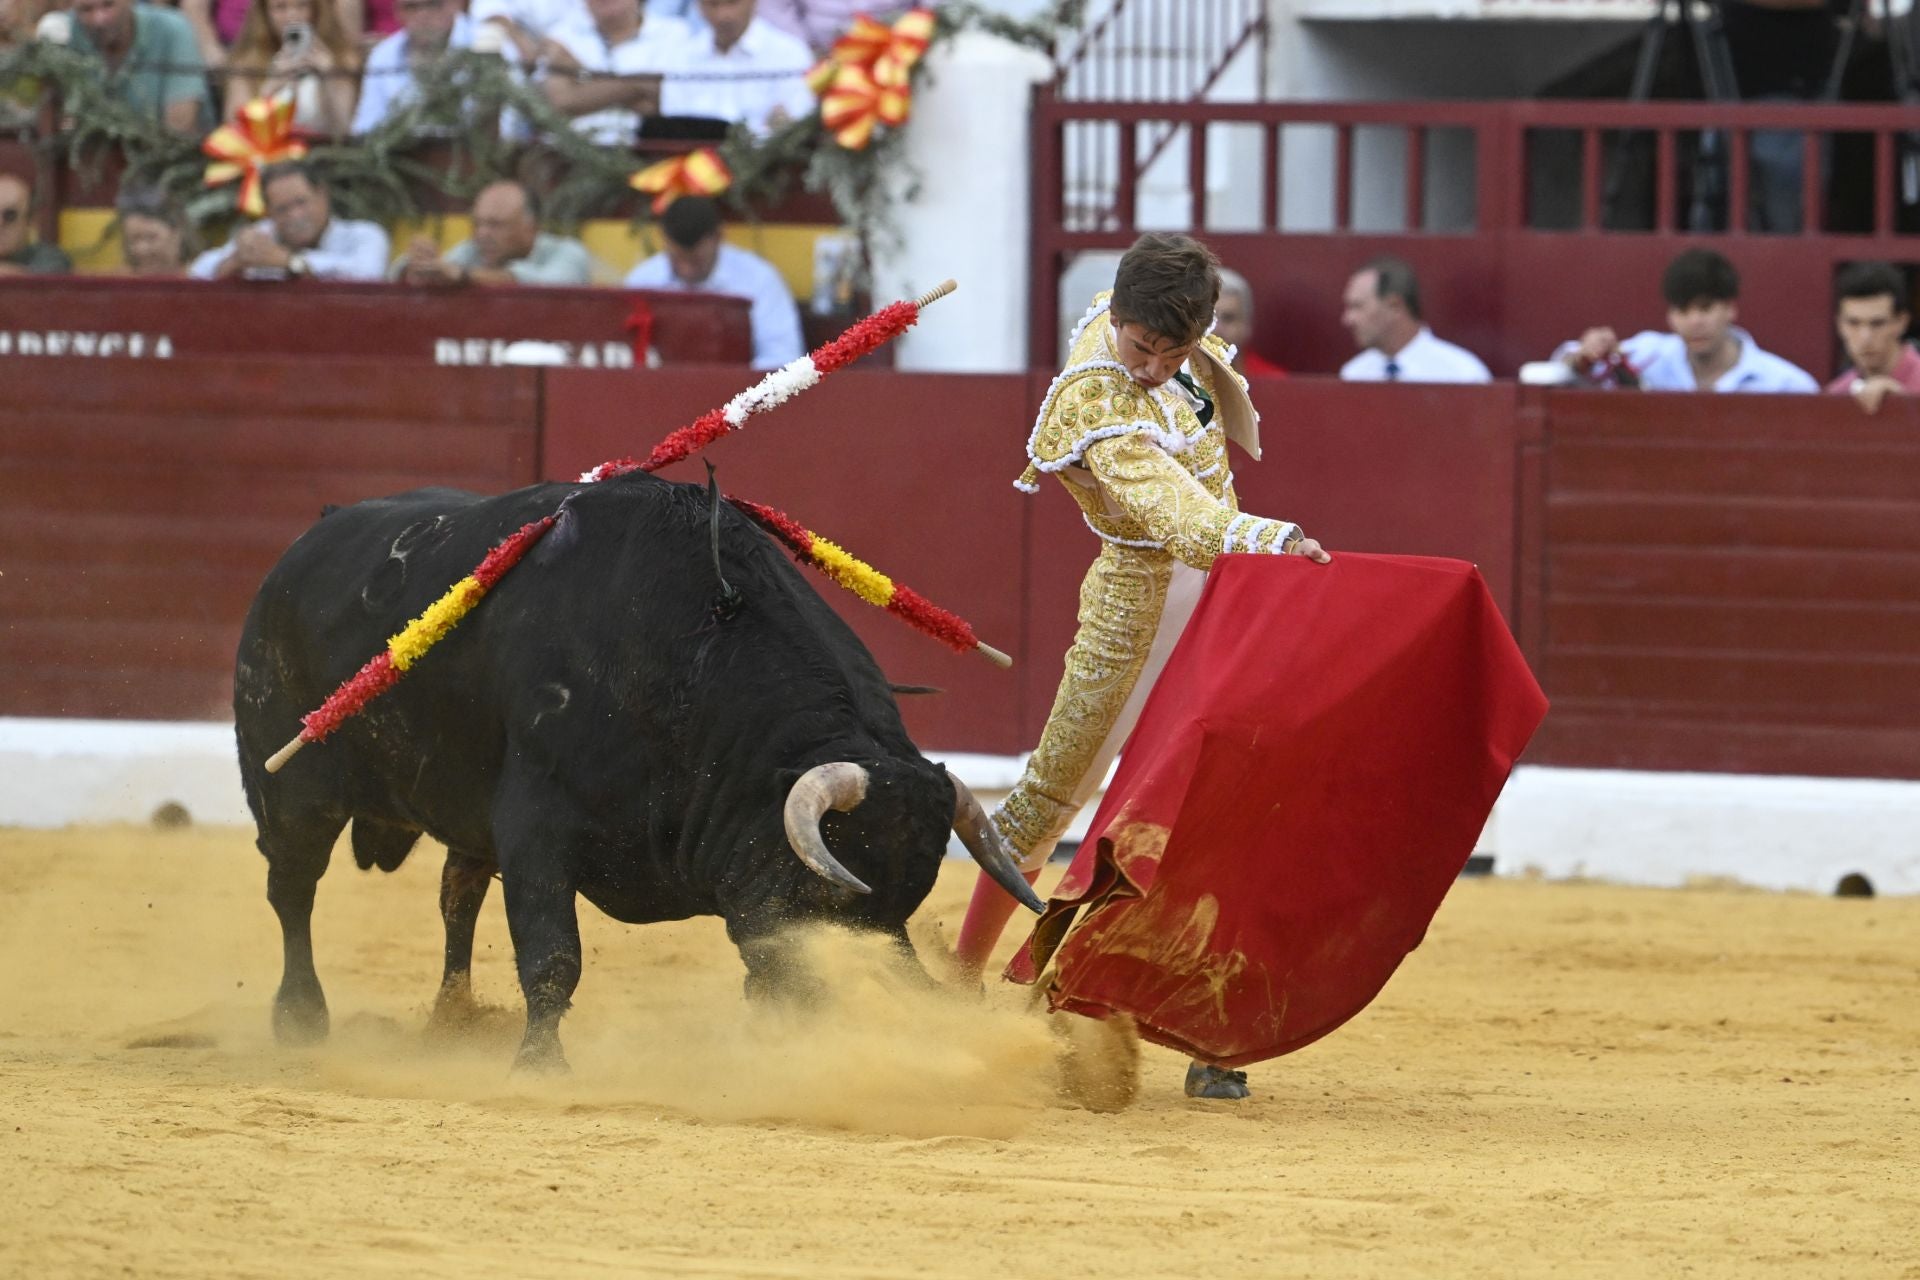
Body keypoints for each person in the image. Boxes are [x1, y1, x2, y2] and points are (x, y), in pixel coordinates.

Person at [952, 232, 1332, 1102]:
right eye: (1141, 347)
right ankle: (962, 976)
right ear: (1114, 320)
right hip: (1142, 599)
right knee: (1055, 790)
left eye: (1175, 349)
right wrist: (1267, 538)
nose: (1156, 367)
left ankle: (1210, 1028)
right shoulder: (1096, 398)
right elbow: (1175, 516)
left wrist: (1249, 553)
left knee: (1229, 798)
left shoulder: (1164, 338)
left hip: (1224, 602)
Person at [1554, 248, 1817, 393]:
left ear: (1730, 309)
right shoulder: (1648, 354)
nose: (1695, 322)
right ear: (1670, 316)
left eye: (1705, 308)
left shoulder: (1787, 385)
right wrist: (1585, 354)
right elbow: (1564, 373)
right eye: (1682, 310)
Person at [625, 195, 803, 369]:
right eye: (677, 259)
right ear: (663, 240)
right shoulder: (642, 282)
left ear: (718, 237)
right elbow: (624, 354)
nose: (687, 270)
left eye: (696, 260)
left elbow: (784, 358)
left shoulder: (759, 280)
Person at [190, 160, 390, 280]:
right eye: (282, 209)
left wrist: (291, 263)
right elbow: (197, 272)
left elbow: (368, 274)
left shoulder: (364, 235)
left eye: (301, 203)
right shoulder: (262, 236)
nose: (295, 215)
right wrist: (233, 262)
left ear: (322, 196)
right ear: (268, 212)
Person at [394, 179, 596, 286]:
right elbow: (445, 270)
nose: (482, 234)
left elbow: (546, 287)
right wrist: (417, 265)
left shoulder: (569, 252)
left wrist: (464, 276)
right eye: (477, 223)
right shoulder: (472, 250)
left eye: (495, 225)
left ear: (531, 228)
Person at [541, 0, 689, 145]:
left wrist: (584, 79)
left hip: (645, 150)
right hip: (569, 150)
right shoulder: (561, 35)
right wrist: (637, 85)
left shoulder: (674, 33)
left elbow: (666, 102)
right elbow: (561, 102)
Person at [660, 0, 812, 135]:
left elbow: (798, 122)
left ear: (753, 2)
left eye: (732, 3)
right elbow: (673, 120)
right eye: (713, 4)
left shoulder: (789, 53)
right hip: (696, 160)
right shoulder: (682, 57)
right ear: (698, 7)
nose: (723, 15)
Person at [66, 0, 213, 134]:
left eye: (108, 5)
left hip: (170, 156)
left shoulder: (174, 30)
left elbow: (180, 127)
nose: (99, 20)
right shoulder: (66, 31)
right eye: (86, 10)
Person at [1338, 257, 1490, 383]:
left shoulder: (1462, 374)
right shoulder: (1354, 374)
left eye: (1357, 307)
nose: (1347, 319)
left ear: (1394, 306)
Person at [223, 0, 362, 138]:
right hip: (268, 155)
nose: (292, 15)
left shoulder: (342, 58)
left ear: (316, 9)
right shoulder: (246, 63)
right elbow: (235, 132)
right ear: (264, 14)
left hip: (326, 153)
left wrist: (330, 78)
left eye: (302, 5)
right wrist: (270, 88)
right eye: (280, 7)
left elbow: (346, 129)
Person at [349, 0, 473, 135]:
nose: (422, 15)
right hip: (400, 153)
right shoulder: (383, 54)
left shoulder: (484, 47)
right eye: (411, 7)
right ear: (397, 12)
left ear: (456, 4)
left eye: (433, 4)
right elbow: (366, 129)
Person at [1827, 261, 1920, 413]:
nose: (1865, 337)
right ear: (1839, 324)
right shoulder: (1836, 393)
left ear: (1901, 322)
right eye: (1853, 323)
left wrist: (1905, 405)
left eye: (1877, 323)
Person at [1214, 267, 1285, 378]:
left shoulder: (1272, 381)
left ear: (1246, 326)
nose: (1216, 329)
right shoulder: (1178, 381)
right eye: (1208, 318)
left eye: (1228, 318)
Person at [0, 171, 72, 275]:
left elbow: (42, 278)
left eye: (10, 215)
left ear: (30, 221)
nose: (0, 223)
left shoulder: (51, 259)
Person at [115, 186, 195, 275]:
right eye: (133, 239)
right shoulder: (116, 283)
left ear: (177, 235)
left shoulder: (201, 280)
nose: (141, 249)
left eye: (151, 238)